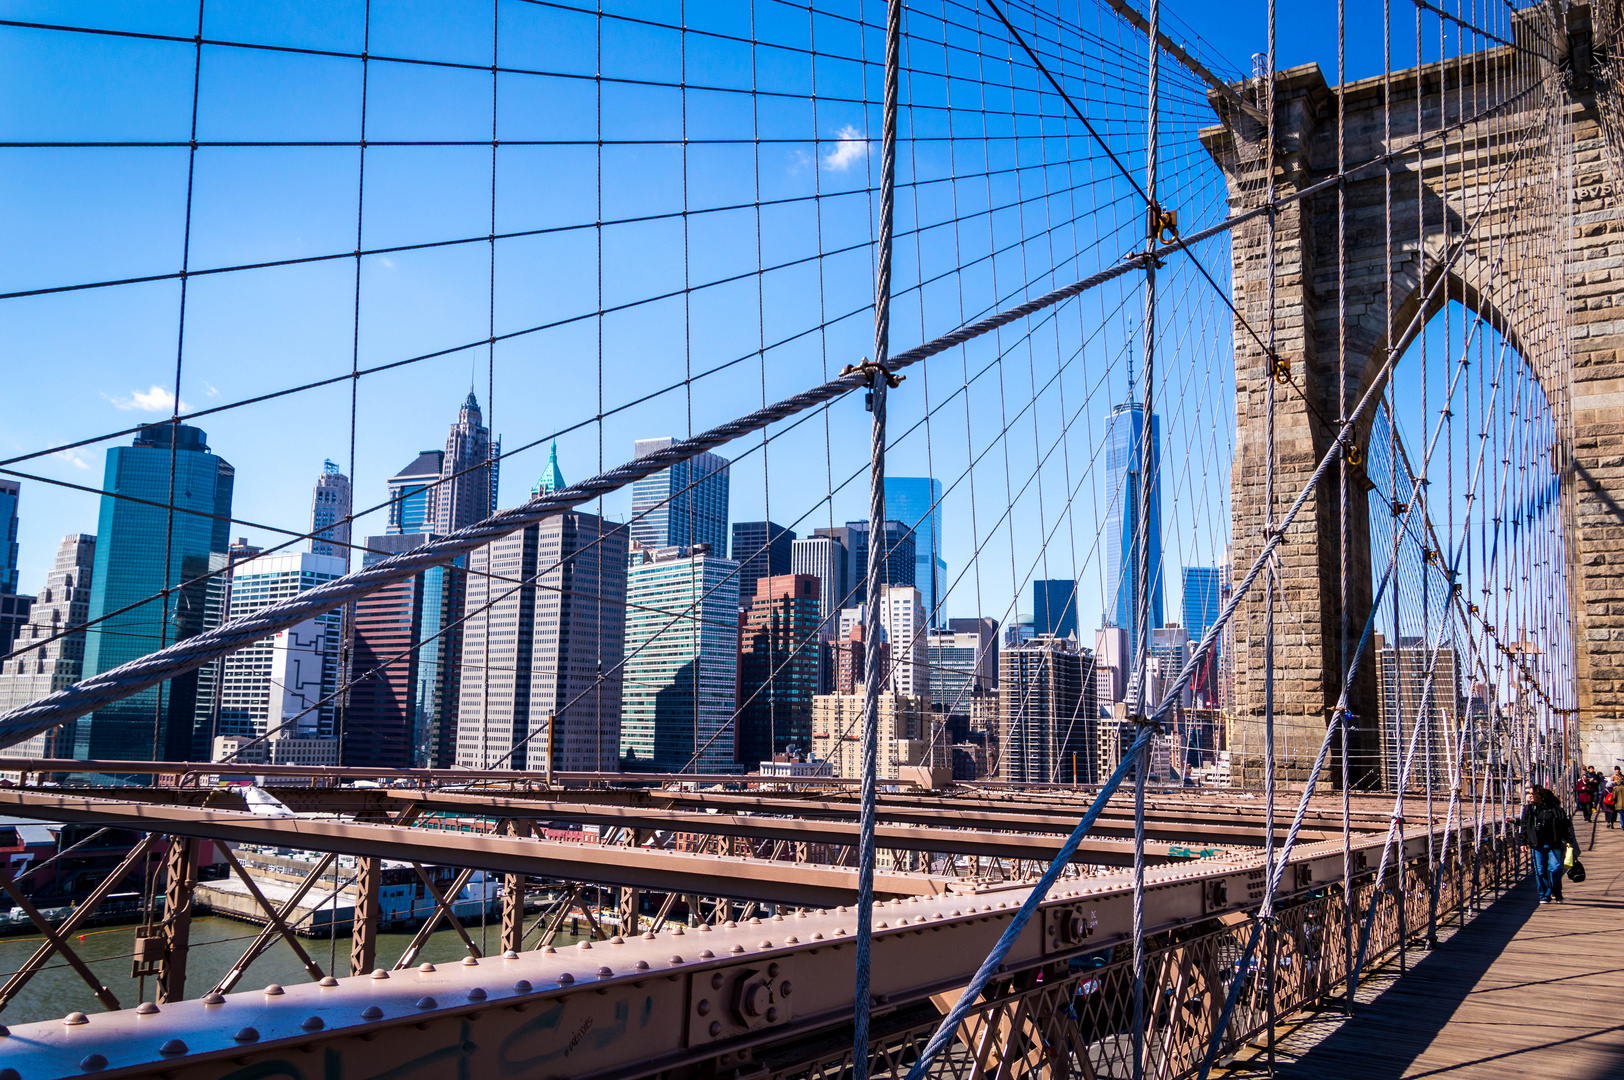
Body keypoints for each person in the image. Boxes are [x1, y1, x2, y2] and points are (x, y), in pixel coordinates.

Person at [1522, 785, 1578, 903]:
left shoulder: (1556, 810)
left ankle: (1557, 891)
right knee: (1540, 871)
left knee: (1555, 868)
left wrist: (1569, 841)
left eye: (1532, 794)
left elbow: (1565, 825)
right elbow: (1525, 826)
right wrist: (1523, 842)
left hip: (1554, 843)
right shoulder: (1530, 809)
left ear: (1540, 796)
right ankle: (1544, 895)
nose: (1530, 796)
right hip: (1537, 844)